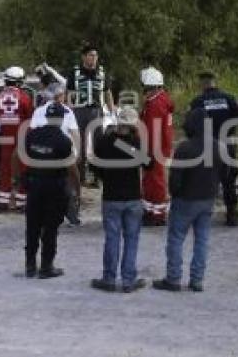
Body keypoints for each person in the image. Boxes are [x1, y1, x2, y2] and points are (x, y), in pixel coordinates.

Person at [153, 108, 224, 293]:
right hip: (208, 198)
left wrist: (174, 194)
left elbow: (175, 178)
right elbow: (227, 172)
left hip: (185, 199)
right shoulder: (218, 146)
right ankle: (197, 280)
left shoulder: (185, 148)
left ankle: (173, 279)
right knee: (202, 240)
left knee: (176, 239)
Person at [90, 107, 151, 293]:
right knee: (132, 239)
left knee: (112, 238)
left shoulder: (104, 141)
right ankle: (128, 280)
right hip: (132, 197)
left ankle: (109, 278)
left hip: (111, 197)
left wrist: (104, 177)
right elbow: (150, 163)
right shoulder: (135, 143)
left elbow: (94, 165)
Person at [23, 102, 79, 279]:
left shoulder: (32, 135)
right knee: (50, 228)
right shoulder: (63, 141)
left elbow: (18, 156)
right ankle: (46, 267)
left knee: (32, 226)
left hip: (34, 185)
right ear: (62, 119)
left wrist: (17, 180)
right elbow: (71, 167)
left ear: (46, 117)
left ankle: (30, 266)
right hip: (54, 187)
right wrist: (77, 188)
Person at [189, 72, 238, 226]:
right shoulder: (229, 98)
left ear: (202, 83)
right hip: (227, 143)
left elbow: (189, 124)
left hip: (206, 145)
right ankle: (231, 215)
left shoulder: (198, 101)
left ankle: (202, 216)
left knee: (204, 179)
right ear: (215, 82)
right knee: (229, 181)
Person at [31, 82, 82, 225]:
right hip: (63, 150)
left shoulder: (38, 111)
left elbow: (33, 132)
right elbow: (75, 133)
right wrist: (77, 153)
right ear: (59, 96)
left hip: (42, 151)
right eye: (63, 95)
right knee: (70, 182)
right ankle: (73, 211)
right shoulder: (67, 111)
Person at [67, 44, 115, 186]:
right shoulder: (74, 72)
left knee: (98, 143)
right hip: (79, 110)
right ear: (84, 57)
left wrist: (112, 112)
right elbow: (69, 93)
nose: (94, 58)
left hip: (97, 111)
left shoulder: (102, 72)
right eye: (91, 55)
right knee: (78, 143)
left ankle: (97, 177)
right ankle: (80, 177)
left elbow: (107, 93)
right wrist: (69, 111)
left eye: (95, 56)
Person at [0, 66, 34, 211]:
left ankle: (3, 199)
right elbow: (29, 116)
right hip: (21, 133)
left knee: (5, 167)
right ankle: (21, 200)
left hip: (5, 134)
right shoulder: (24, 96)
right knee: (23, 166)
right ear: (19, 81)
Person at [140, 67, 175, 226]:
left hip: (155, 149)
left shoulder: (155, 104)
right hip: (159, 147)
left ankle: (158, 214)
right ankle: (150, 211)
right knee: (151, 181)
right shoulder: (161, 100)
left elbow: (152, 130)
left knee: (156, 181)